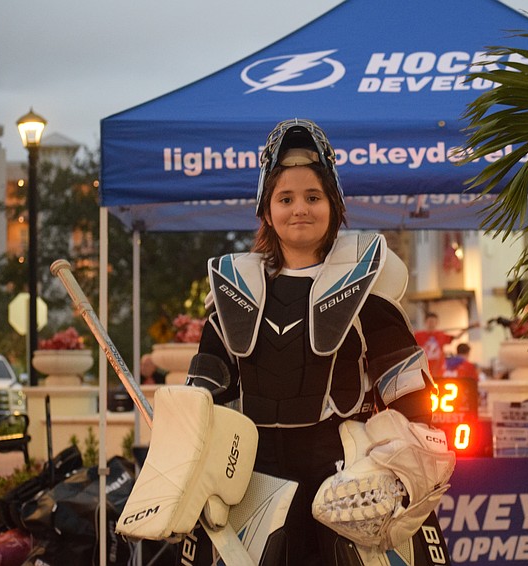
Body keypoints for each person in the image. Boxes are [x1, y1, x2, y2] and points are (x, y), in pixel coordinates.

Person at [178, 118, 454, 565]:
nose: (299, 209)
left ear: (334, 204)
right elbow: (202, 397)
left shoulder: (369, 284)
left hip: (345, 483)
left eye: (313, 197)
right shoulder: (233, 291)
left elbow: (411, 398)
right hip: (252, 481)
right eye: (285, 198)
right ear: (266, 209)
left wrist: (405, 473)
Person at [414, 312, 471, 378]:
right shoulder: (418, 335)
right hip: (423, 369)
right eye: (430, 322)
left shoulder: (441, 335)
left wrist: (469, 328)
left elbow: (455, 337)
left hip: (438, 369)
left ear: (436, 323)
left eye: (433, 322)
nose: (431, 324)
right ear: (425, 322)